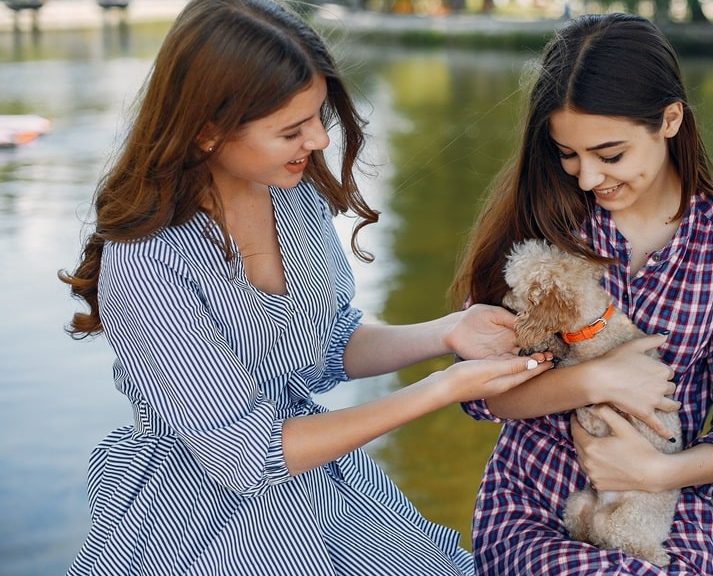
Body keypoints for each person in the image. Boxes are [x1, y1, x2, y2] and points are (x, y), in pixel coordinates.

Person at [58, 1, 552, 574]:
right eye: (291, 129)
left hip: (317, 486)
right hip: (198, 514)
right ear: (206, 132)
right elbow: (244, 456)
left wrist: (448, 333)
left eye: (318, 116)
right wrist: (440, 389)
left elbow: (326, 349)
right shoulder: (147, 260)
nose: (318, 140)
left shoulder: (293, 195)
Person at [450, 13, 713, 576]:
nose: (586, 179)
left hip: (666, 513)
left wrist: (655, 474)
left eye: (610, 155)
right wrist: (592, 378)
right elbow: (478, 394)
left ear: (670, 120)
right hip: (537, 504)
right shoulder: (546, 223)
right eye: (568, 154)